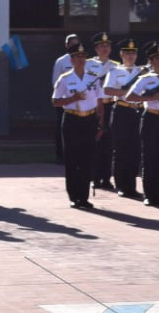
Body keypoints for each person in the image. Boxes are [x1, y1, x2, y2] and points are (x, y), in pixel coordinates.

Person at [52, 42, 104, 210]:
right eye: (77, 57)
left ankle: (84, 196)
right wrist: (72, 99)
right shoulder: (65, 78)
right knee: (72, 159)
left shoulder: (93, 77)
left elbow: (100, 101)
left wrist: (101, 123)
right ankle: (74, 196)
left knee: (87, 159)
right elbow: (55, 101)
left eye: (83, 57)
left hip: (89, 120)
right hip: (72, 119)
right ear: (72, 60)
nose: (81, 60)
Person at [126, 44, 159, 207]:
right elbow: (130, 96)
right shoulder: (145, 79)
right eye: (157, 58)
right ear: (151, 61)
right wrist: (151, 97)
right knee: (149, 157)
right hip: (151, 118)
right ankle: (149, 194)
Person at [104, 39, 143, 198]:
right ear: (121, 54)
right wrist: (126, 93)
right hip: (122, 110)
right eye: (127, 53)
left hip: (138, 111)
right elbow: (107, 89)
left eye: (133, 53)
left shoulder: (142, 72)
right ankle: (121, 185)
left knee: (135, 150)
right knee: (121, 149)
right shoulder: (114, 71)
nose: (130, 56)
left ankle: (132, 185)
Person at [86, 33, 117, 192]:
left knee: (109, 144)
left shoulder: (116, 66)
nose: (105, 49)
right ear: (96, 48)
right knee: (95, 143)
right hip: (94, 106)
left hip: (110, 105)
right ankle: (95, 177)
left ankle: (106, 177)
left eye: (107, 46)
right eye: (102, 46)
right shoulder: (88, 65)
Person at [50, 33, 78, 162]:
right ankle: (60, 155)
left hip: (80, 101)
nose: (75, 46)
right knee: (61, 128)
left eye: (77, 44)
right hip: (64, 99)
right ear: (67, 46)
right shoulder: (61, 61)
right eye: (72, 44)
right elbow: (56, 81)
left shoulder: (84, 60)